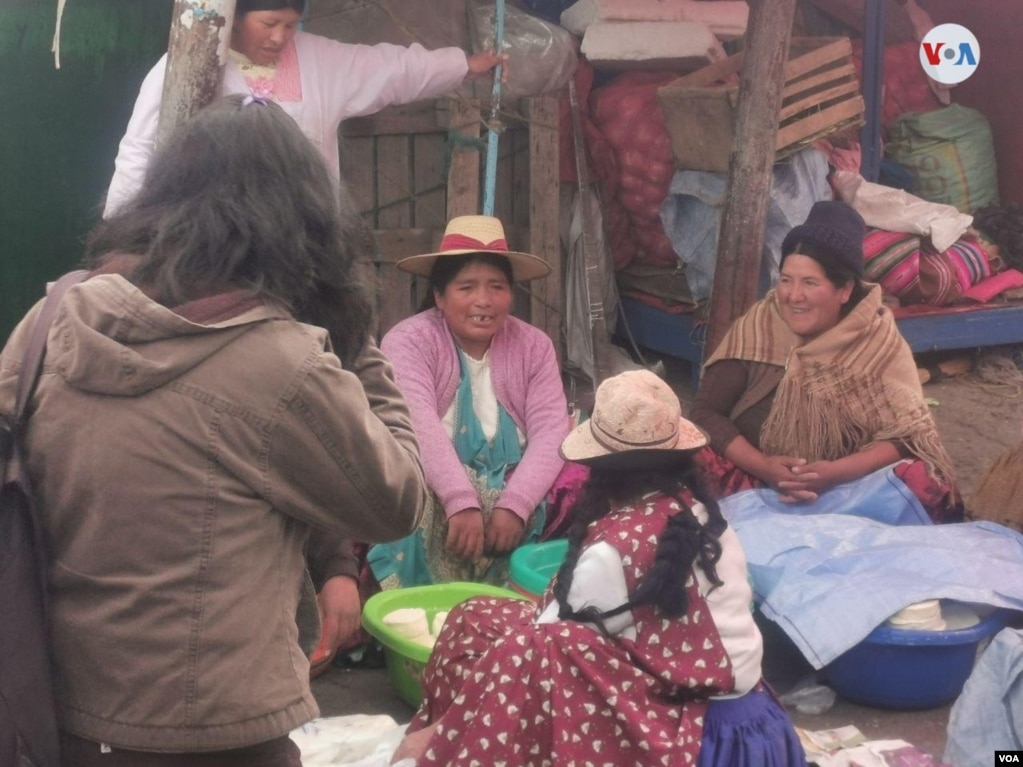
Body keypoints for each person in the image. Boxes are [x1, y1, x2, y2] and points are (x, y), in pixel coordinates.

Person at [0, 94, 427, 765]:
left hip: (58, 710)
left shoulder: (54, 316)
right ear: (303, 221)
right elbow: (395, 498)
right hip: (216, 731)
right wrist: (356, 334)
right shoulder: (278, 361)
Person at [391, 369, 807, 767]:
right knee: (480, 620)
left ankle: (456, 751)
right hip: (753, 728)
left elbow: (542, 648)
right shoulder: (699, 514)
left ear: (597, 472)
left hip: (696, 741)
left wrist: (444, 733)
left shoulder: (612, 552)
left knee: (529, 653)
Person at [103, 0, 506, 217]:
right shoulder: (188, 64)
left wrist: (462, 65)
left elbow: (390, 68)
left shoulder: (320, 61)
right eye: (269, 23)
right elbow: (140, 149)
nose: (280, 37)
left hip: (308, 240)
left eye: (291, 25)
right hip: (218, 239)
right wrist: (121, 232)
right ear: (235, 17)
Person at [689, 200, 960, 522]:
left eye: (810, 283)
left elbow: (907, 436)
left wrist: (834, 473)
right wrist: (763, 466)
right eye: (786, 280)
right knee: (684, 457)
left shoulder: (877, 341)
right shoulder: (761, 324)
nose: (793, 295)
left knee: (927, 481)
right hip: (755, 483)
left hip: (848, 492)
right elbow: (706, 411)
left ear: (844, 290)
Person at [368, 215, 571, 589]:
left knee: (580, 486)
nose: (484, 301)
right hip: (434, 485)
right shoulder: (409, 341)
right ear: (440, 296)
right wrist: (460, 500)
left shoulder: (534, 345)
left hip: (513, 487)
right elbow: (416, 422)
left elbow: (551, 429)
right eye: (466, 287)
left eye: (497, 286)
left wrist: (516, 505)